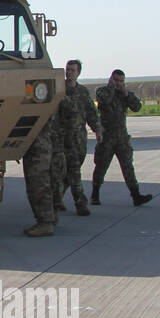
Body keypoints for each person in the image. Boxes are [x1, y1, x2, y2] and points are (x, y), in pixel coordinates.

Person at [91, 69, 153, 207]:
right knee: (101, 166)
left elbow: (137, 107)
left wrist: (126, 95)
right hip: (107, 137)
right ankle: (95, 194)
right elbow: (105, 100)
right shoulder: (102, 91)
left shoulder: (123, 94)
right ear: (111, 79)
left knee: (128, 166)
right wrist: (112, 87)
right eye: (116, 80)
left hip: (121, 137)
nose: (119, 83)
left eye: (121, 81)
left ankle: (136, 195)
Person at [60, 59, 101, 215]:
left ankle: (58, 198)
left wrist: (97, 129)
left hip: (79, 138)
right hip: (62, 137)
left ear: (78, 73)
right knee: (71, 170)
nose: (69, 73)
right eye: (68, 70)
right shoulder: (59, 89)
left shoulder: (82, 92)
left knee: (73, 169)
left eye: (72, 70)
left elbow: (91, 112)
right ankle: (80, 203)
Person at [21, 117, 57, 237]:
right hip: (43, 143)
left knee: (38, 184)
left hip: (37, 146)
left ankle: (46, 223)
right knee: (48, 182)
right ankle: (51, 217)